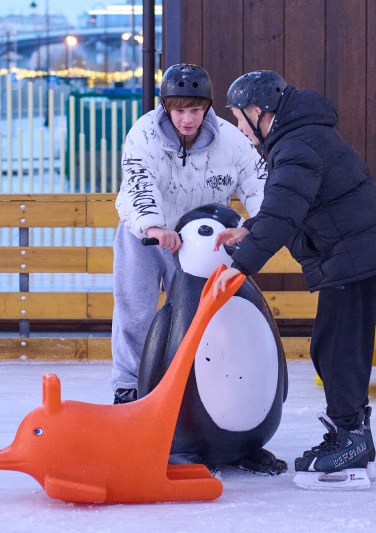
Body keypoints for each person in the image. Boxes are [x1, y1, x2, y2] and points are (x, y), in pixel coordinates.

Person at [213, 71, 376, 486]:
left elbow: (284, 215)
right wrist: (250, 229)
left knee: (338, 349)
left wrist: (239, 267)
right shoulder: (300, 137)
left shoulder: (297, 145)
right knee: (337, 346)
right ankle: (353, 435)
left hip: (354, 256)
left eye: (239, 119)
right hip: (355, 254)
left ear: (258, 111)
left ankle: (350, 441)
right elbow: (288, 204)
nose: (239, 129)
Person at [111, 64, 266, 405]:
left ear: (207, 107)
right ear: (165, 107)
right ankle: (129, 386)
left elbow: (258, 183)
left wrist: (259, 225)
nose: (187, 119)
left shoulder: (231, 140)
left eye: (195, 110)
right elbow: (138, 181)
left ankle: (195, 386)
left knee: (198, 313)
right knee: (135, 311)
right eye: (179, 110)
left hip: (200, 240)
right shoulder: (144, 133)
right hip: (145, 235)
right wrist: (153, 226)